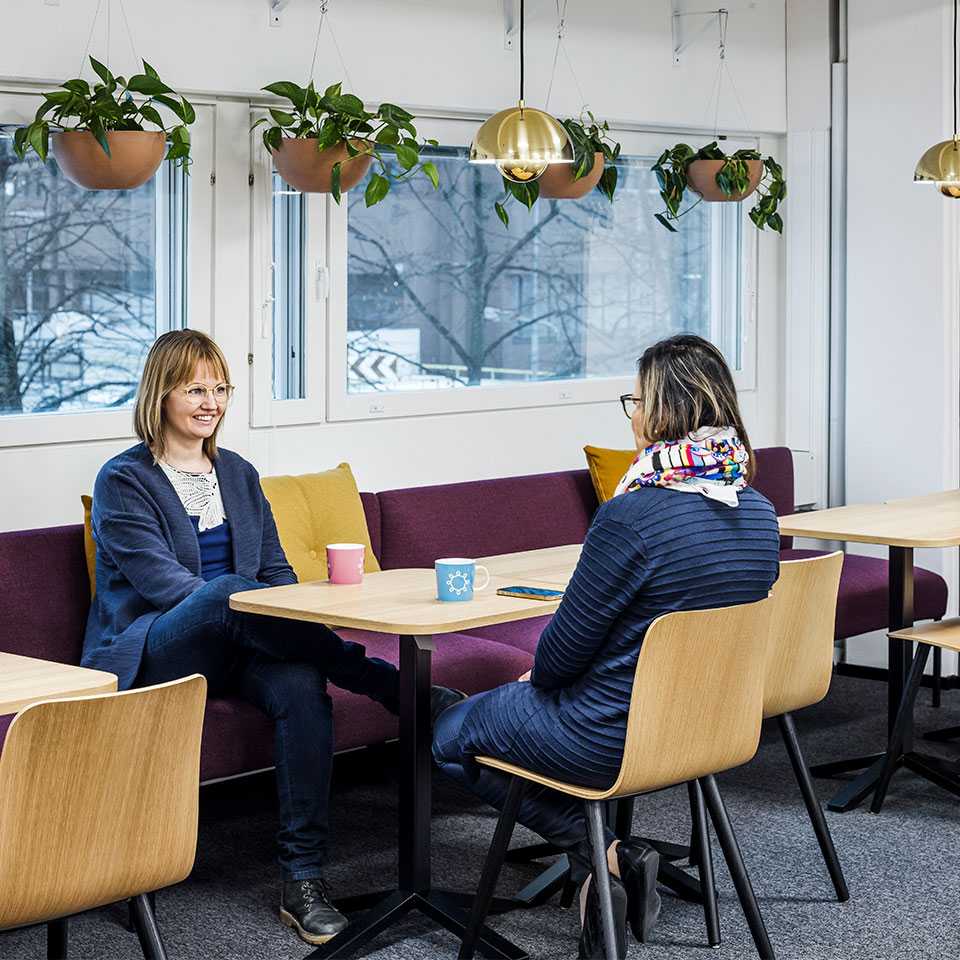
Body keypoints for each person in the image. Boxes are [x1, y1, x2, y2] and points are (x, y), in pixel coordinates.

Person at [83, 329, 461, 947]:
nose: (212, 402)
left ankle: (303, 880)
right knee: (219, 592)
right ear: (161, 393)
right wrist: (248, 602)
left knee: (301, 684)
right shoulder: (124, 480)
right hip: (158, 645)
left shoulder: (238, 472)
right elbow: (166, 587)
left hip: (242, 640)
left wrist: (282, 610)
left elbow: (278, 575)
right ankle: (388, 686)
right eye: (195, 388)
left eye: (221, 388)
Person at [433, 334, 781, 956]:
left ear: (664, 411)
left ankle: (607, 853)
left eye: (637, 400)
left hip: (606, 734)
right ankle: (608, 856)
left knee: (448, 731)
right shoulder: (759, 511)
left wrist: (532, 680)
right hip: (706, 727)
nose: (634, 415)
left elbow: (560, 659)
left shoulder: (632, 516)